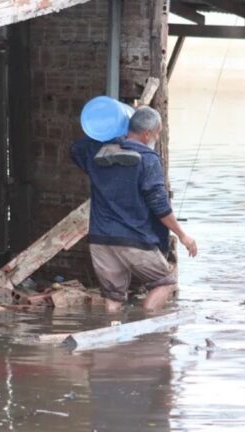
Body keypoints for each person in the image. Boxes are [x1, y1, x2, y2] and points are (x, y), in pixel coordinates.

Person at [71, 106, 198, 313]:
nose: (156, 137)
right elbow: (159, 205)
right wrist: (182, 235)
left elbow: (75, 149)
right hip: (134, 240)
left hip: (101, 239)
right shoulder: (148, 159)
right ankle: (147, 326)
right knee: (166, 282)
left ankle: (112, 334)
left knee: (114, 297)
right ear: (147, 134)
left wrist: (109, 135)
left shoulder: (97, 154)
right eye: (157, 133)